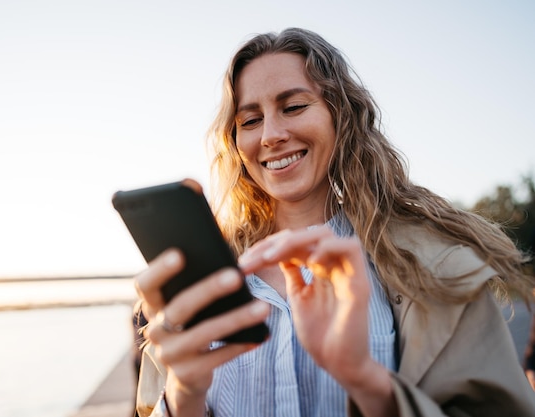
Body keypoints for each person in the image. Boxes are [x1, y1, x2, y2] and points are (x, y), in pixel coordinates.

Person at [133, 27, 535, 417]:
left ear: (340, 116)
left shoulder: (433, 263)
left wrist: (365, 380)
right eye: (250, 120)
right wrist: (183, 397)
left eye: (293, 107)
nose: (271, 135)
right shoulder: (201, 282)